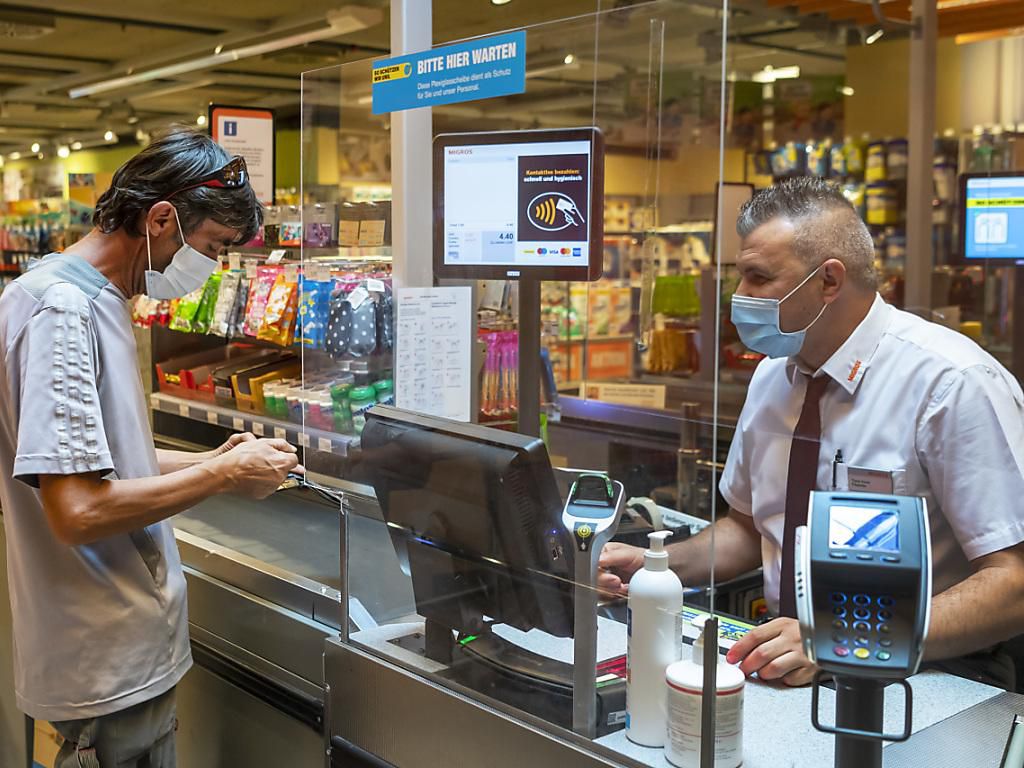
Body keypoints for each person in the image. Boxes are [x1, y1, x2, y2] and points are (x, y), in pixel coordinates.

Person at [600, 177, 1024, 689]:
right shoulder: (773, 374)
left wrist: (840, 634)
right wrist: (652, 567)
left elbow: (1013, 584)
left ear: (829, 281)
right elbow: (748, 528)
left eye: (758, 278)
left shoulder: (951, 384)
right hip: (786, 657)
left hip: (928, 671)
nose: (740, 297)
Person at [0, 127, 302, 767]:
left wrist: (216, 460)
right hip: (103, 665)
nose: (212, 268)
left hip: (121, 654)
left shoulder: (88, 297)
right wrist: (220, 480)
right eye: (213, 246)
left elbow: (95, 458)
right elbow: (77, 508)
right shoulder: (64, 311)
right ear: (162, 219)